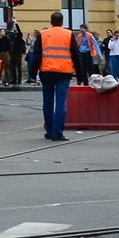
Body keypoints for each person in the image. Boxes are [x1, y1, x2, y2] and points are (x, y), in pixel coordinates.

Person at [29, 12, 80, 141]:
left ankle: (50, 131)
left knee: (48, 103)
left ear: (51, 22)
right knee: (61, 103)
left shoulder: (43, 34)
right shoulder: (68, 34)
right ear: (62, 22)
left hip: (46, 72)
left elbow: (36, 56)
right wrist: (80, 76)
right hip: (64, 72)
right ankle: (58, 133)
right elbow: (76, 55)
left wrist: (33, 75)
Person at [8, 20, 26, 87]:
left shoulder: (19, 35)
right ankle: (13, 79)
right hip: (12, 53)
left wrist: (16, 23)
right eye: (13, 27)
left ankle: (19, 80)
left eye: (15, 27)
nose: (14, 28)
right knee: (12, 67)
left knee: (19, 67)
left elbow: (20, 32)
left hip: (18, 53)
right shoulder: (11, 35)